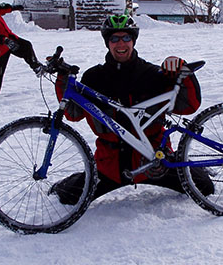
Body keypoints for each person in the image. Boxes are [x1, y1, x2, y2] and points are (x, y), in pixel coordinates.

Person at [52, 14, 213, 205]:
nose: (121, 43)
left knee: (204, 186)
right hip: (110, 168)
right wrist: (63, 79)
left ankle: (192, 167)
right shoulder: (94, 77)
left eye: (126, 38)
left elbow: (189, 105)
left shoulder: (152, 74)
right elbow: (72, 113)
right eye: (114, 38)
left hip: (155, 163)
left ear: (133, 41)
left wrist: (181, 72)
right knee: (66, 195)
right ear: (107, 42)